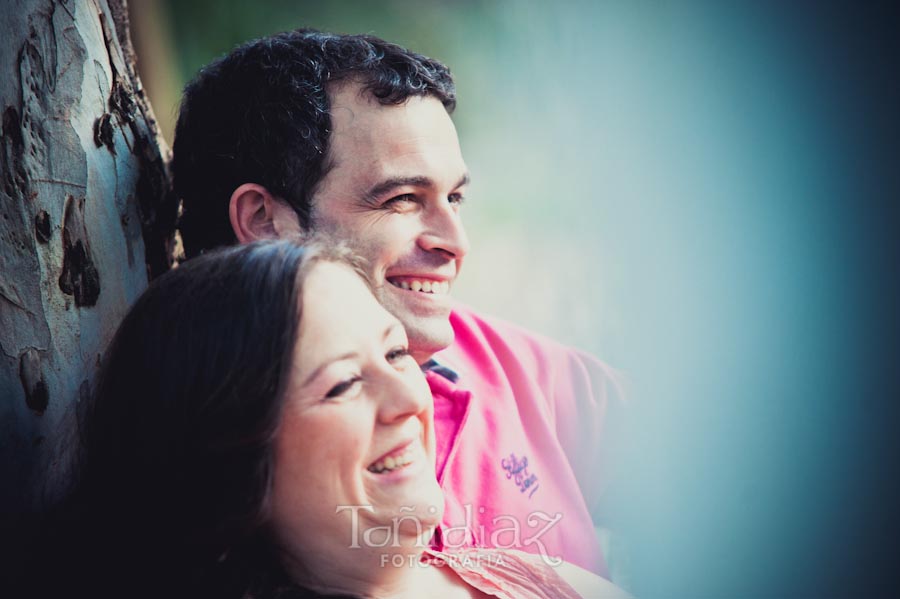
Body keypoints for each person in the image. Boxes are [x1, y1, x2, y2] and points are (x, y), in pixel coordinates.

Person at [172, 29, 625, 577]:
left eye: (454, 197)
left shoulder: (520, 371)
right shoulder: (180, 451)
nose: (455, 243)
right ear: (264, 221)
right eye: (403, 200)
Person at [7, 240, 628, 599]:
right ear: (233, 467)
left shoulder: (514, 573)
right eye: (343, 385)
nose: (410, 399)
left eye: (394, 353)